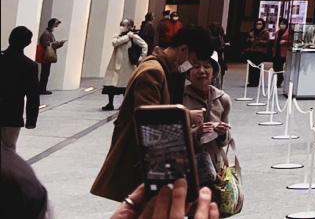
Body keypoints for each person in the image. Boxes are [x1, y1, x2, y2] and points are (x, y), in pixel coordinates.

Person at [91, 25, 218, 201]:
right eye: (193, 61)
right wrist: (185, 116)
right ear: (183, 50)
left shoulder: (165, 69)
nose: (191, 66)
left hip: (150, 162)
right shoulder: (152, 71)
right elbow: (148, 122)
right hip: (140, 163)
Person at [184, 57, 241, 215]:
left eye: (207, 66)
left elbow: (227, 138)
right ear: (188, 73)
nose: (201, 71)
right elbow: (175, 136)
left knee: (213, 209)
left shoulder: (222, 99)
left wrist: (223, 133)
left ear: (214, 71)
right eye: (196, 66)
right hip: (190, 166)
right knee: (193, 209)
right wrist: (197, 133)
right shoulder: (181, 98)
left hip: (215, 166)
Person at [1, 27, 41, 152]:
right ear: (28, 42)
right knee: (8, 148)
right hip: (12, 113)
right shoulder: (29, 65)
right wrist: (31, 119)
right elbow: (33, 94)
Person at [101, 20, 147, 111]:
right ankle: (110, 103)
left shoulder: (134, 37)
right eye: (121, 25)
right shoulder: (118, 36)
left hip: (127, 65)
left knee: (125, 85)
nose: (122, 27)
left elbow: (144, 45)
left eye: (125, 25)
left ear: (130, 27)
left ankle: (124, 104)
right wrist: (127, 37)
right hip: (115, 63)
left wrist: (141, 58)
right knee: (111, 84)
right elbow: (115, 43)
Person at [34, 20, 65, 95]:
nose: (56, 26)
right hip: (46, 55)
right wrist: (57, 43)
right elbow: (46, 44)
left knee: (45, 73)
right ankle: (42, 89)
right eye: (56, 24)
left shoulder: (49, 33)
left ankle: (42, 88)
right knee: (45, 73)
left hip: (47, 55)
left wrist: (59, 44)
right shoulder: (47, 34)